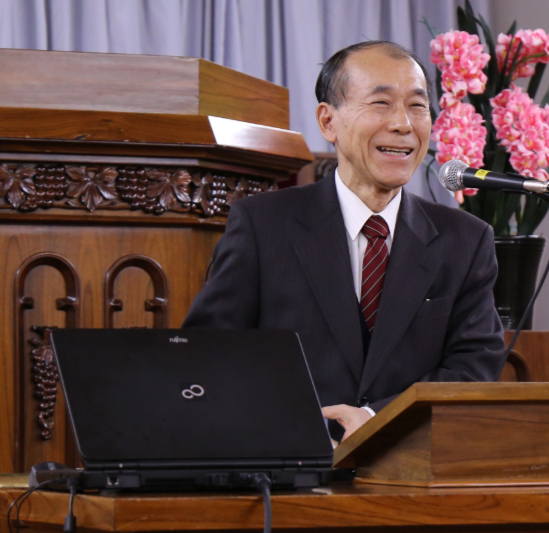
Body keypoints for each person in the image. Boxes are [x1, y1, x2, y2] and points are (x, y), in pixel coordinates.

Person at [182, 41, 505, 442]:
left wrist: (377, 418)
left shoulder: (465, 240)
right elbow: (209, 354)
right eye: (381, 103)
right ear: (328, 121)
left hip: (411, 465)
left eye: (417, 106)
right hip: (287, 468)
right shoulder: (263, 225)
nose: (404, 124)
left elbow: (475, 366)